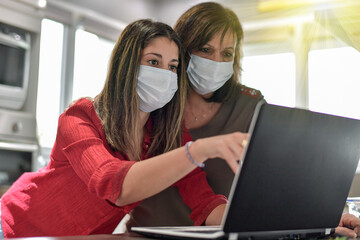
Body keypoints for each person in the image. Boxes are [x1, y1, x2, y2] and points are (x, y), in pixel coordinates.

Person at [125, 2, 360, 238]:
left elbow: (282, 181)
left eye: (226, 53)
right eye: (205, 50)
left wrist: (319, 219)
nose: (216, 62)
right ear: (181, 49)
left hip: (219, 233)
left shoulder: (250, 105)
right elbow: (113, 178)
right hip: (142, 236)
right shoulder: (152, 104)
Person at [0, 19, 248, 238]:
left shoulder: (164, 132)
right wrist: (199, 150)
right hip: (13, 227)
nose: (165, 74)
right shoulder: (80, 117)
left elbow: (203, 199)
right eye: (153, 62)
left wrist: (250, 221)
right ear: (127, 66)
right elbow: (112, 183)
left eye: (173, 67)